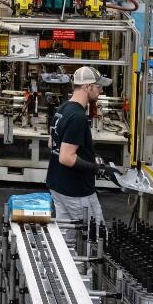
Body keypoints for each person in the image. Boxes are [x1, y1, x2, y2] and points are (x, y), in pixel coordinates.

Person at [48, 66, 115, 227]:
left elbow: (51, 143)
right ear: (87, 87)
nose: (101, 91)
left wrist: (89, 154)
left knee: (67, 235)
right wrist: (96, 168)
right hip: (75, 189)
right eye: (98, 87)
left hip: (57, 183)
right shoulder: (78, 117)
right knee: (96, 233)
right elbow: (66, 157)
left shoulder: (63, 108)